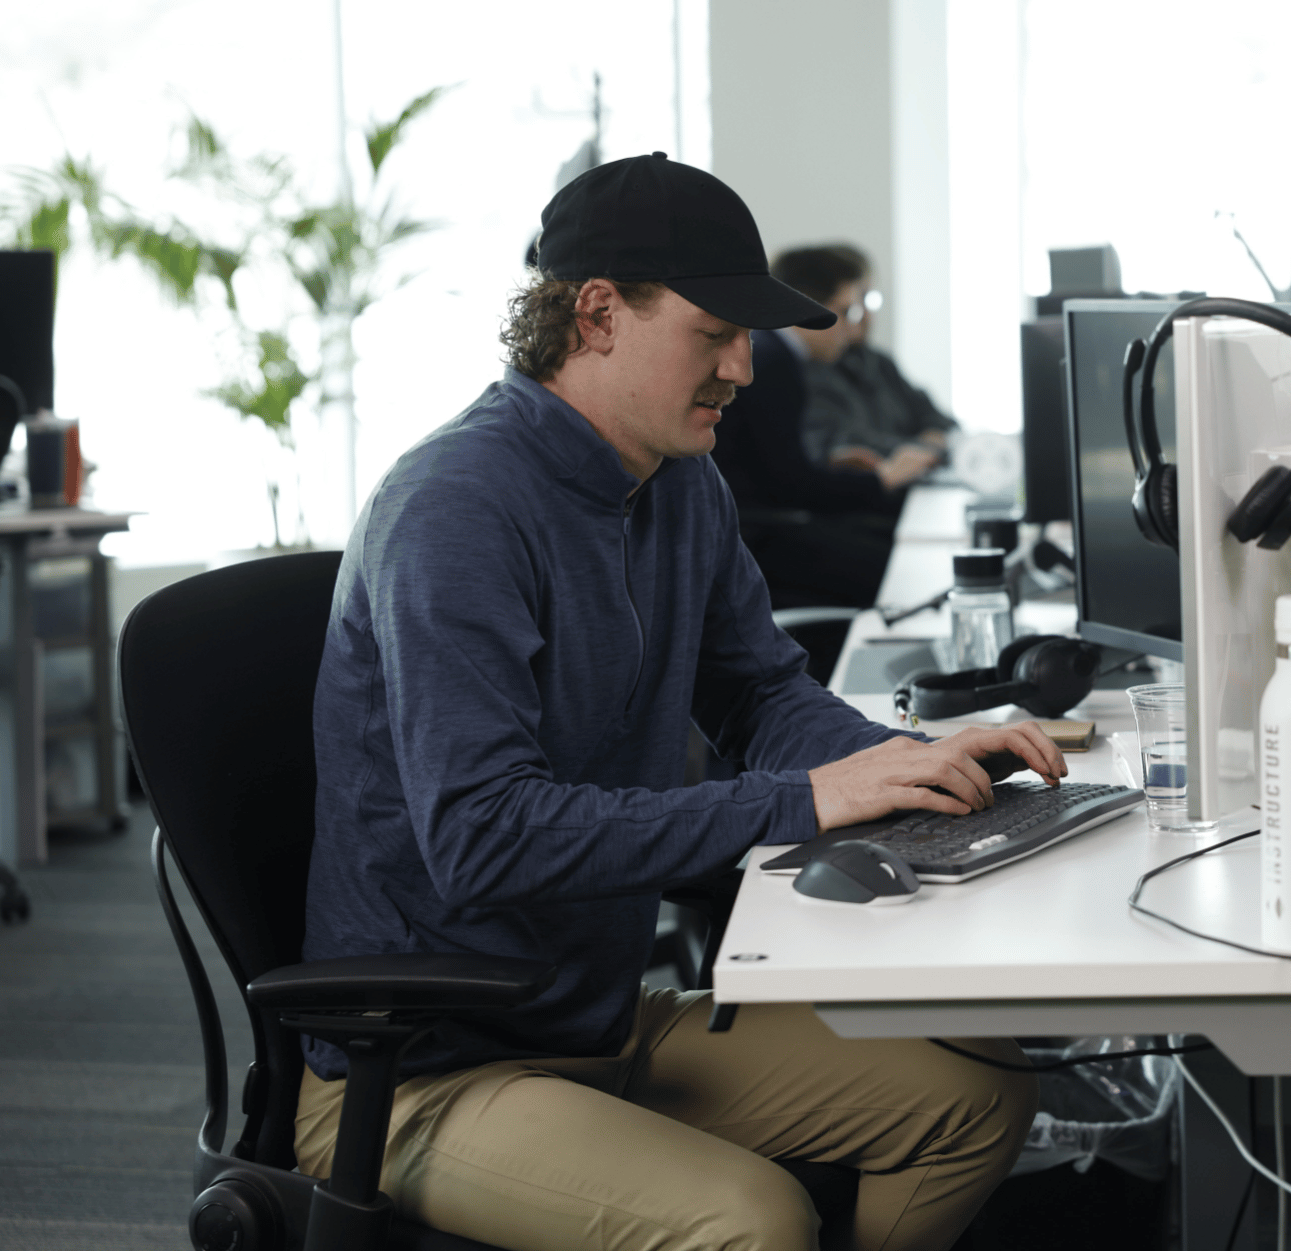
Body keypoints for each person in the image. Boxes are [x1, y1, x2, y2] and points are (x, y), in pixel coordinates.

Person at [296, 152, 1052, 1251]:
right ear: (597, 315)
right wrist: (802, 802)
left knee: (975, 1098)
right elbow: (482, 837)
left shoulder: (678, 480)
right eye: (715, 334)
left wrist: (909, 761)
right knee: (751, 1221)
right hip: (424, 1065)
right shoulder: (454, 510)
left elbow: (759, 693)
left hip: (592, 1019)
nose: (744, 369)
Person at [708, 253, 939, 616]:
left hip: (761, 527)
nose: (852, 328)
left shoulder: (776, 354)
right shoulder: (774, 362)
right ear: (806, 308)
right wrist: (882, 479)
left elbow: (772, 466)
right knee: (904, 572)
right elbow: (791, 485)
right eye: (846, 312)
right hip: (760, 539)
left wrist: (839, 467)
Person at [772, 244, 956, 469]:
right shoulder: (800, 369)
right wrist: (924, 449)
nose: (863, 315)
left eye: (868, 300)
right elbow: (844, 445)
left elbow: (939, 420)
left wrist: (928, 444)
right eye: (851, 307)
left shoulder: (877, 362)